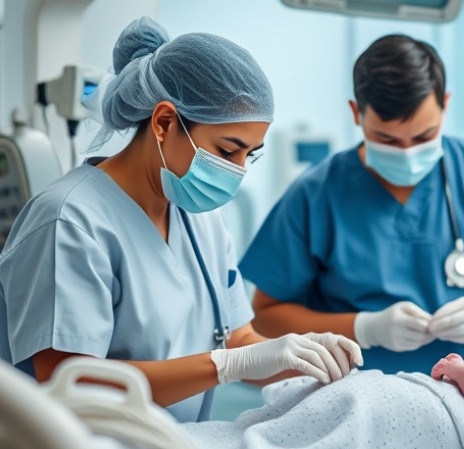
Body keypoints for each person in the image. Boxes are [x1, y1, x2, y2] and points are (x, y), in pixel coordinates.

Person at [0, 17, 362, 423]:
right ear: (164, 123)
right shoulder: (68, 222)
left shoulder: (200, 218)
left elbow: (239, 338)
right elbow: (72, 383)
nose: (239, 171)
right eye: (228, 152)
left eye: (251, 154)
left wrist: (303, 355)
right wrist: (226, 366)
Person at [239, 34, 464, 374]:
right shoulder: (315, 194)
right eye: (386, 139)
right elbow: (267, 316)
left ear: (445, 105)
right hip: (358, 399)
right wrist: (363, 328)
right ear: (356, 114)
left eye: (424, 136)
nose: (406, 152)